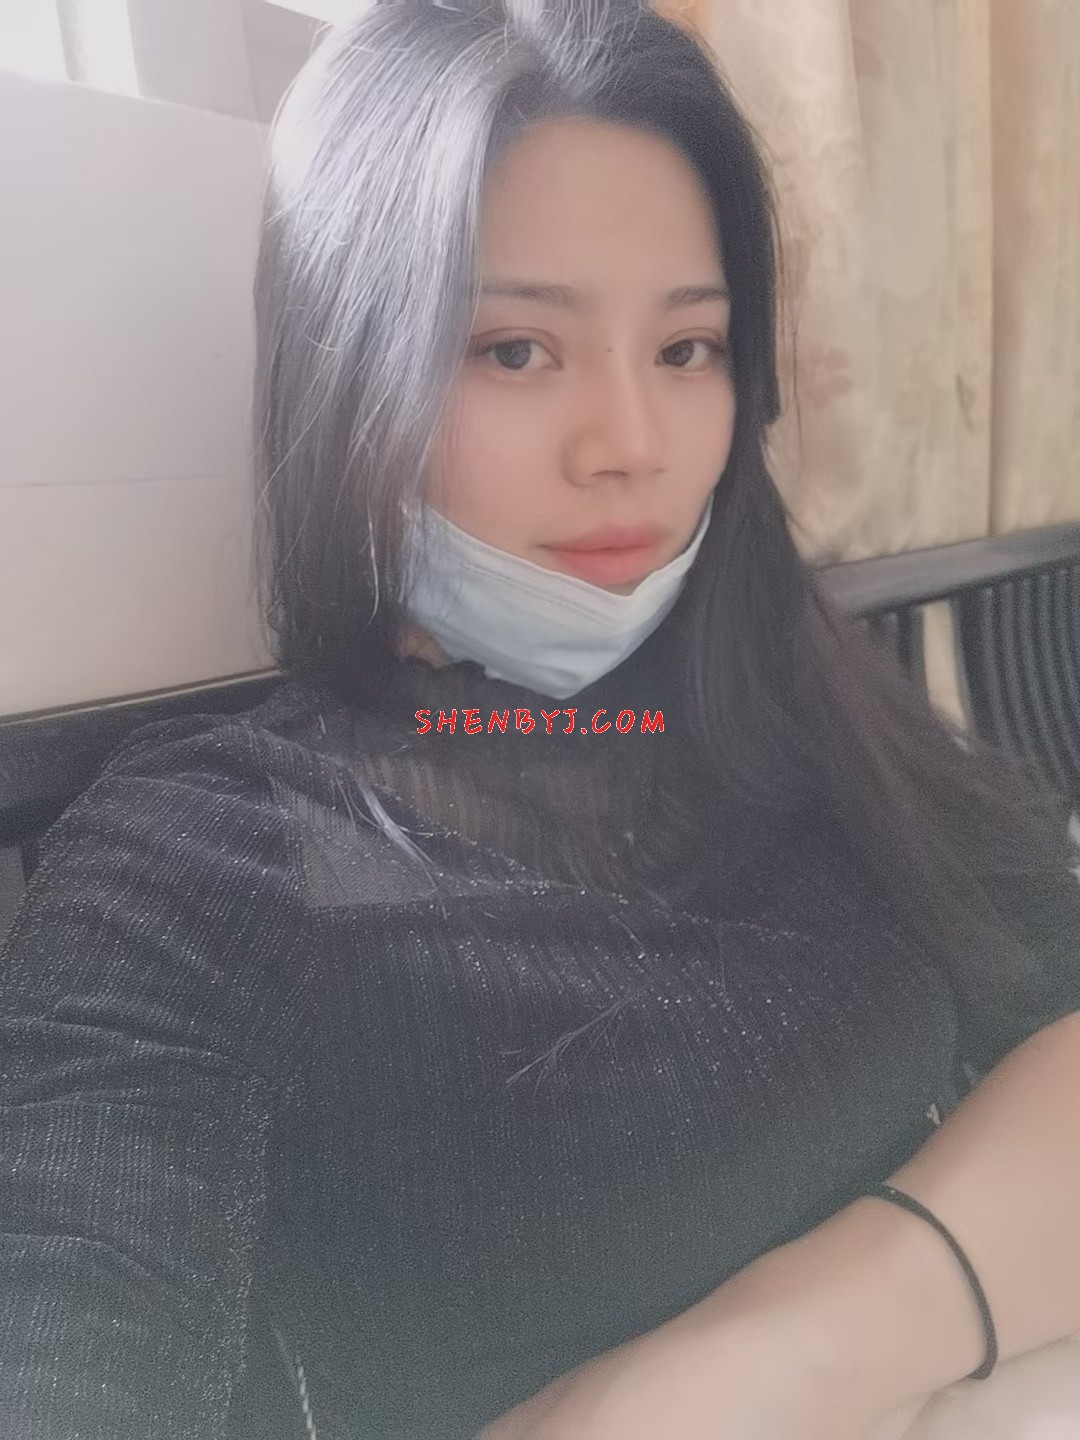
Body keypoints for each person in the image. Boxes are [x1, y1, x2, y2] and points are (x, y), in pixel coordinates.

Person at [2, 1, 1079, 1436]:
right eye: (515, 350)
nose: (632, 445)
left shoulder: (793, 703)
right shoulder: (199, 864)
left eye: (687, 349)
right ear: (348, 369)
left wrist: (805, 1343)